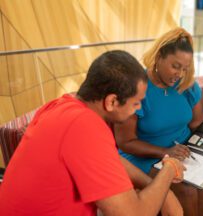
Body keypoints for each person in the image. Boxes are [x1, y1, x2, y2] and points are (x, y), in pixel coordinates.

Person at [0, 50, 185, 216]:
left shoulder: (62, 106)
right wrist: (169, 170)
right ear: (112, 101)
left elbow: (112, 159)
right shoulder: (85, 127)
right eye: (136, 103)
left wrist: (161, 190)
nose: (138, 108)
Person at [114, 27, 203, 216]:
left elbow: (197, 123)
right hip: (143, 156)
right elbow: (125, 142)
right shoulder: (135, 86)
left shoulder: (186, 84)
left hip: (180, 151)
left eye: (185, 68)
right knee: (186, 189)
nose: (180, 74)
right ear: (158, 57)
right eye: (175, 66)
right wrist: (164, 152)